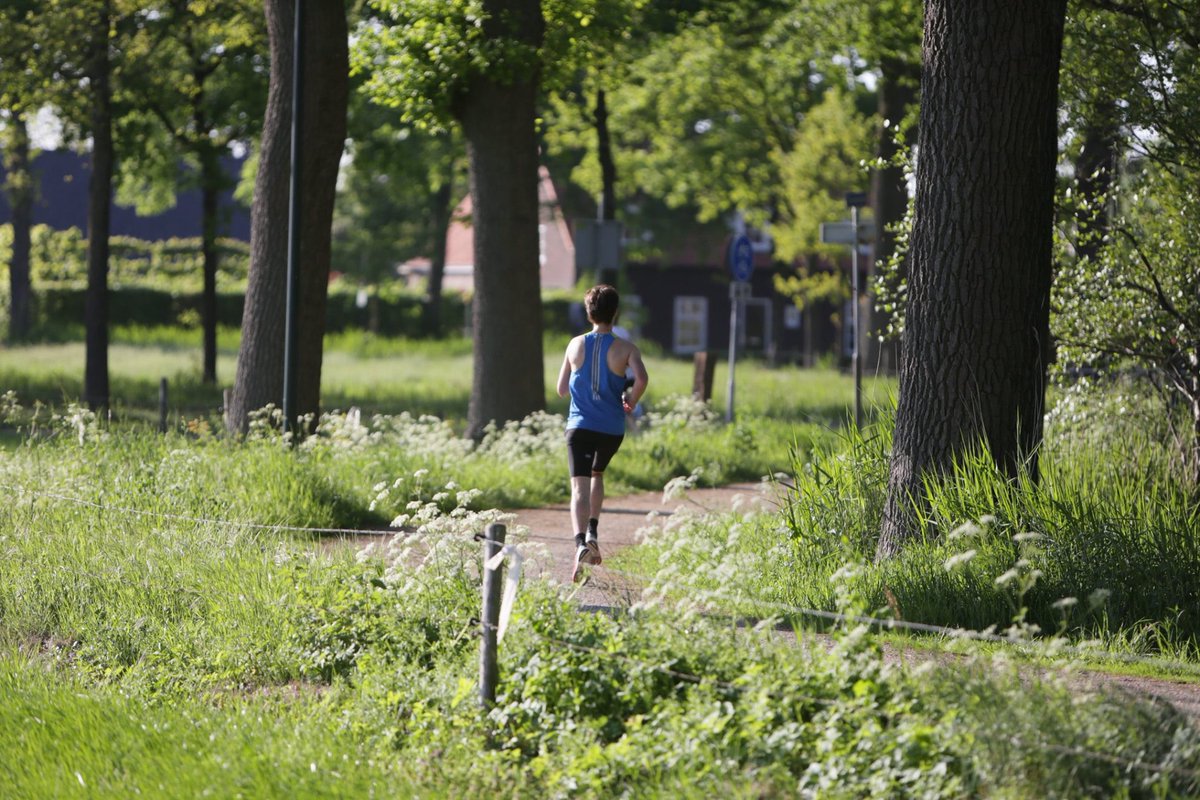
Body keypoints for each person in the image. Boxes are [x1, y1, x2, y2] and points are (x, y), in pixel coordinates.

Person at [556, 284, 649, 582]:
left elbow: (561, 389)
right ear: (615, 312)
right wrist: (630, 401)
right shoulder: (627, 348)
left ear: (588, 312)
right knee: (597, 474)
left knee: (579, 487)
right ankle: (593, 532)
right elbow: (642, 378)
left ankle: (580, 544)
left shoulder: (574, 344)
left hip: (580, 426)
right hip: (611, 429)